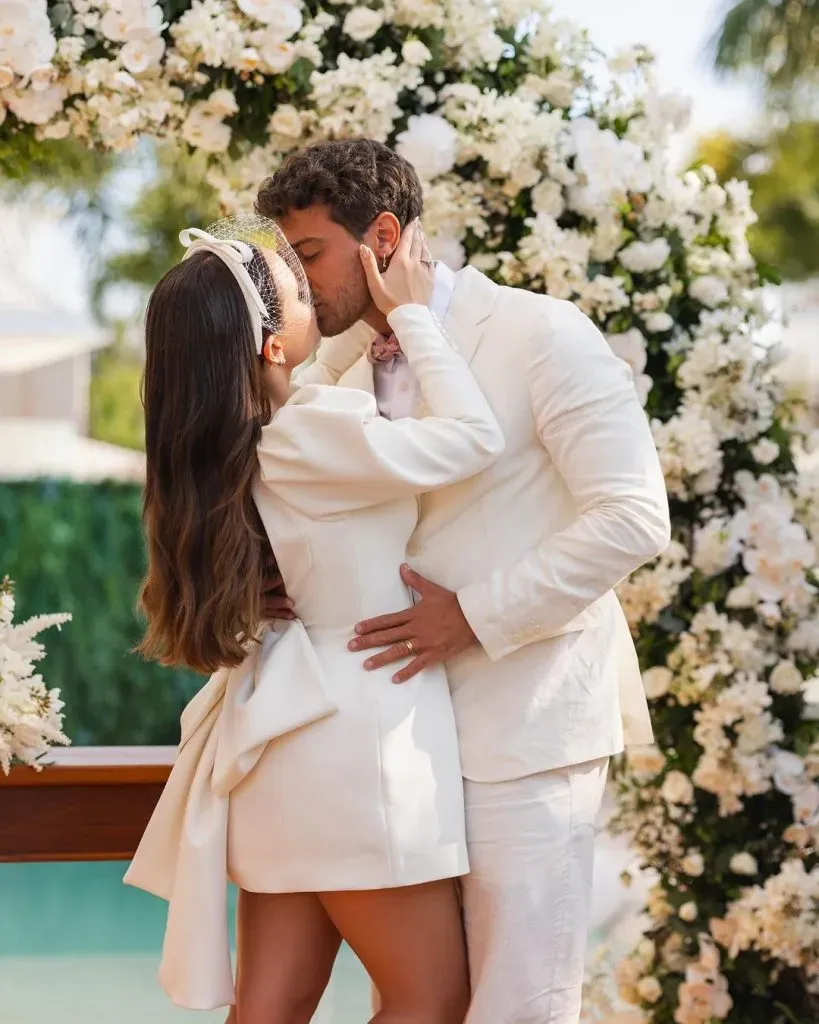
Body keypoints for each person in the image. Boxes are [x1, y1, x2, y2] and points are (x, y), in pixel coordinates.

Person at [255, 138, 672, 1024]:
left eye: (309, 254)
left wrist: (473, 617)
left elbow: (633, 516)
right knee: (421, 1002)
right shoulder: (332, 367)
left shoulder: (540, 333)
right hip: (396, 741)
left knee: (516, 1004)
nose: (295, 281)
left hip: (525, 727)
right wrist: (271, 579)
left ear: (382, 237)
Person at [124, 215, 505, 1024]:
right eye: (298, 290)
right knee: (430, 1002)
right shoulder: (314, 428)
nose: (314, 297)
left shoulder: (229, 450)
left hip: (282, 737)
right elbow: (475, 438)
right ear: (271, 345)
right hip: (361, 739)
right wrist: (413, 316)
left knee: (272, 1007)